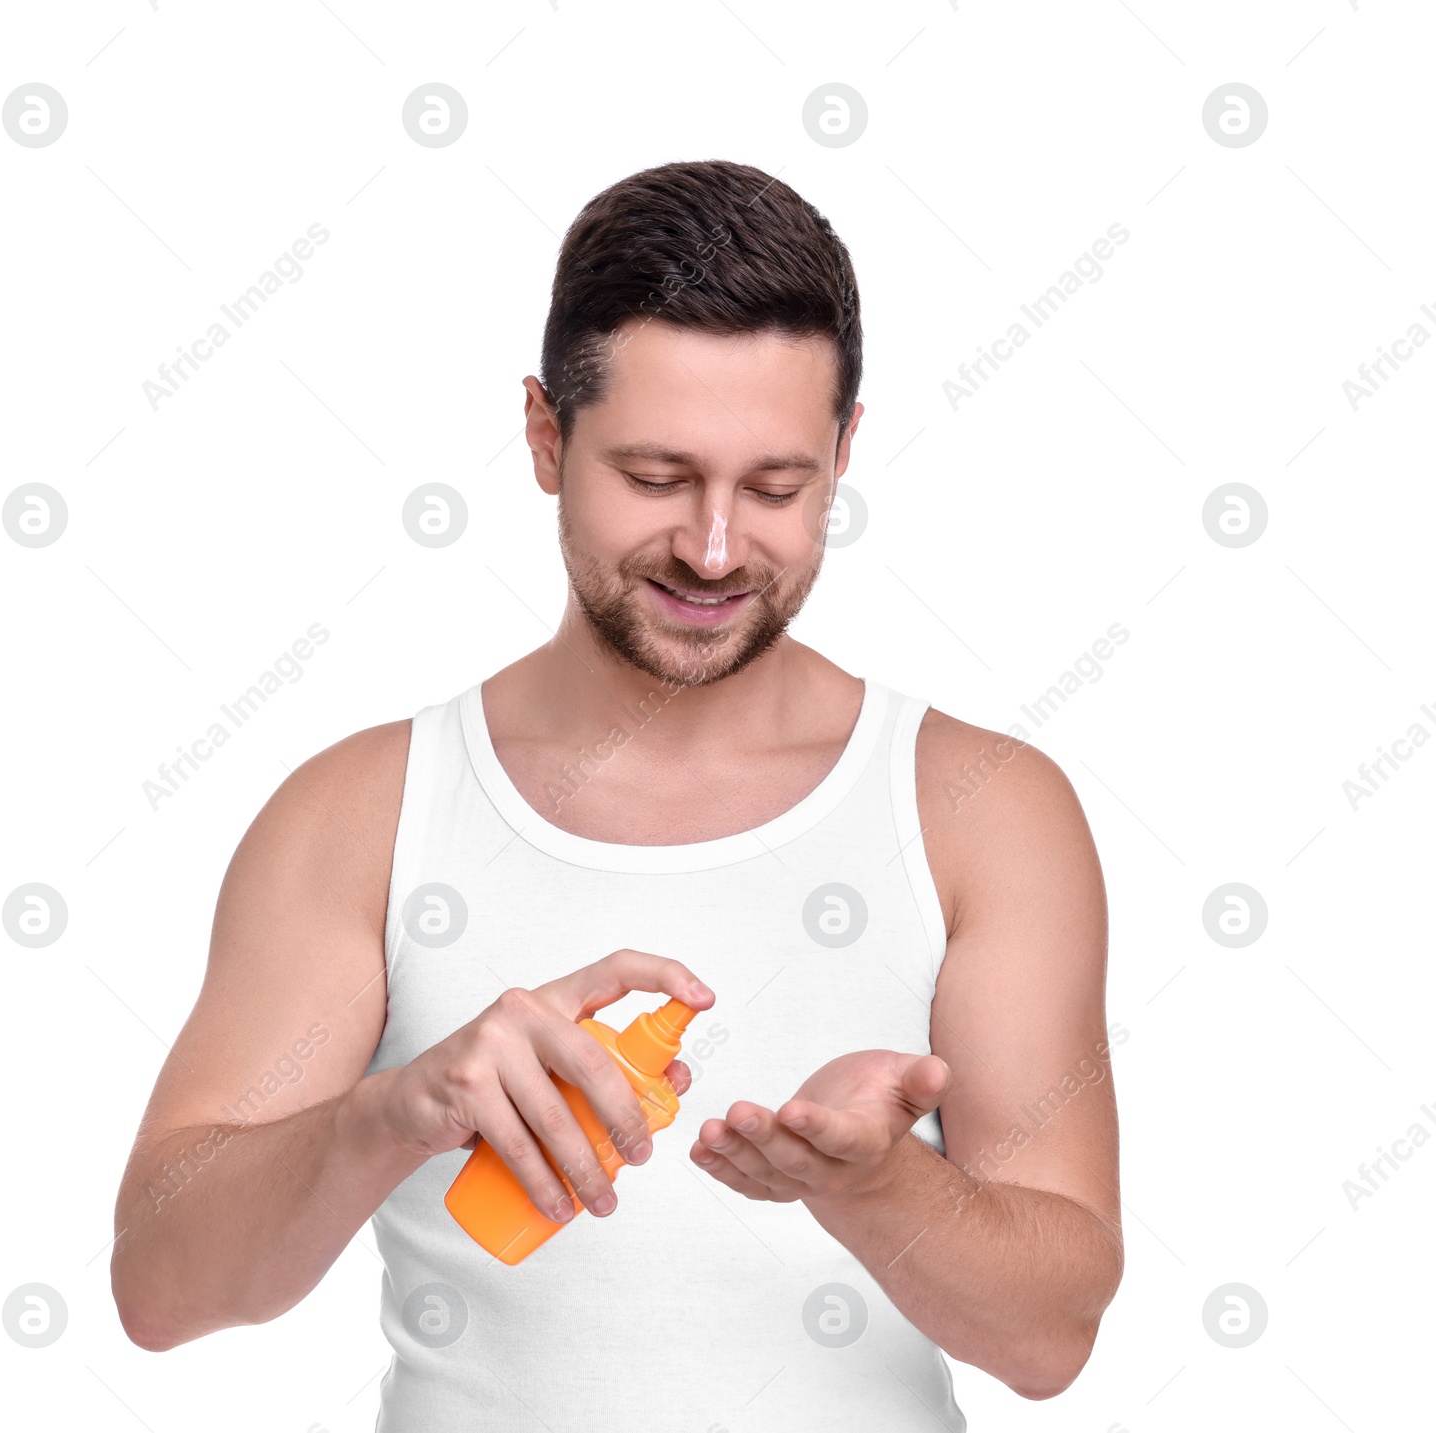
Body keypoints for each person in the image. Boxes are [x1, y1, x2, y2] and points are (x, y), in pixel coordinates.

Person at [109, 158, 1123, 1430]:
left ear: (846, 447)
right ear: (544, 436)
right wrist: (391, 1111)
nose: (710, 546)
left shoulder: (980, 810)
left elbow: (1053, 1337)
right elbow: (161, 1285)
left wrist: (873, 1189)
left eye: (775, 487)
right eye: (655, 477)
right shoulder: (365, 811)